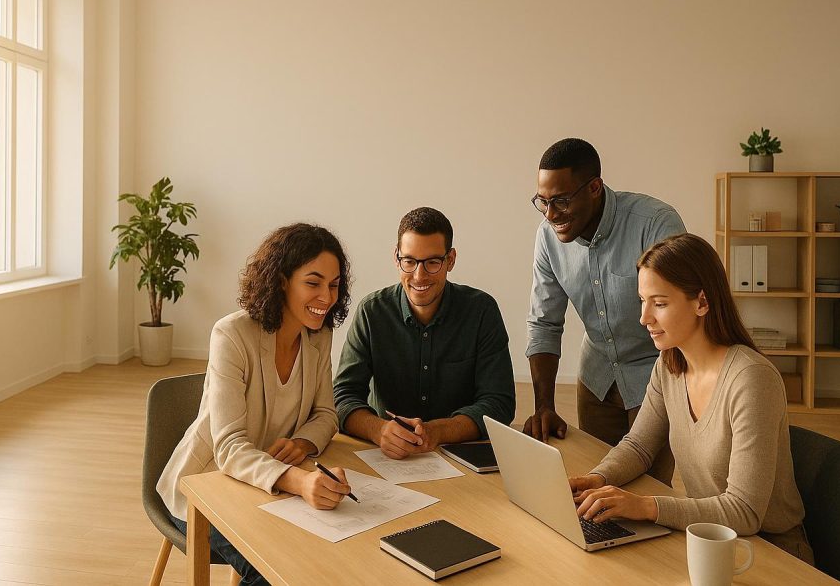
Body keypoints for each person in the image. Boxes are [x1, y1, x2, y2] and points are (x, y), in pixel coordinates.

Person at [570, 234, 813, 564]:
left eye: (659, 303)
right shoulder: (669, 364)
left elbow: (744, 512)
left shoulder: (752, 379)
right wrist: (596, 479)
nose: (644, 318)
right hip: (708, 540)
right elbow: (639, 446)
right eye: (643, 301)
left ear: (702, 302)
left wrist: (645, 506)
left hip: (770, 553)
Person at [157, 224, 353, 586]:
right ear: (281, 281)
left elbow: (327, 414)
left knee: (328, 558)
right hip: (209, 485)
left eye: (334, 284)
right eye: (313, 282)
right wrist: (299, 481)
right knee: (274, 569)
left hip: (267, 486)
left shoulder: (320, 335)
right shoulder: (231, 335)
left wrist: (303, 443)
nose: (326, 296)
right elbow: (229, 447)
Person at [524, 138, 685, 484]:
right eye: (543, 202)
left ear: (594, 187)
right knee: (597, 480)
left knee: (647, 490)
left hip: (654, 376)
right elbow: (544, 323)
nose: (551, 215)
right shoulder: (547, 236)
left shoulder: (655, 223)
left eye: (561, 201)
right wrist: (543, 405)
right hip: (597, 379)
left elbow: (680, 318)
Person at [333, 207, 515, 459]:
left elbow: (499, 404)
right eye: (409, 261)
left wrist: (437, 431)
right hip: (386, 458)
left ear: (450, 260)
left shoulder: (481, 311)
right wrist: (379, 430)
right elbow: (343, 396)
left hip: (461, 458)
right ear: (396, 258)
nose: (419, 276)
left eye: (432, 262)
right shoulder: (371, 312)